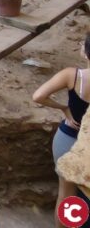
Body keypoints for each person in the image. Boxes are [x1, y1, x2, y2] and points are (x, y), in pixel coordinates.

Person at [33, 34, 90, 227]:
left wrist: (64, 109)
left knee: (66, 196)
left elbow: (38, 96)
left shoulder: (73, 76)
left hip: (68, 139)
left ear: (85, 53)